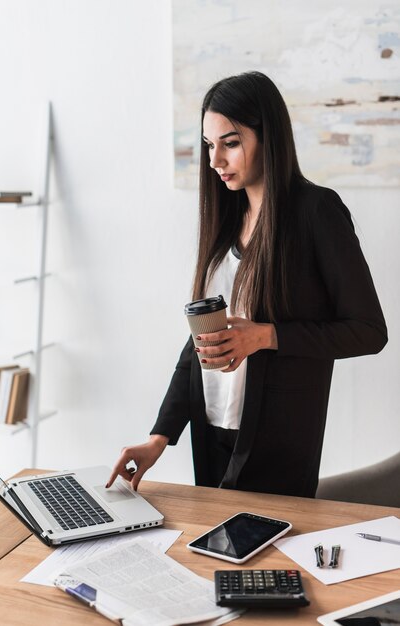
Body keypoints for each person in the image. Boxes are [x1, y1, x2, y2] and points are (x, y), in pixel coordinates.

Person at [107, 71, 387, 498]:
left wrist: (266, 336)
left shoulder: (317, 212)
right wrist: (159, 437)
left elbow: (369, 331)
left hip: (279, 439)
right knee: (212, 559)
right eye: (209, 145)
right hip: (211, 430)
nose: (215, 160)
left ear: (268, 137)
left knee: (261, 563)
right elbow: (201, 342)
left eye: (231, 143)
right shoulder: (225, 221)